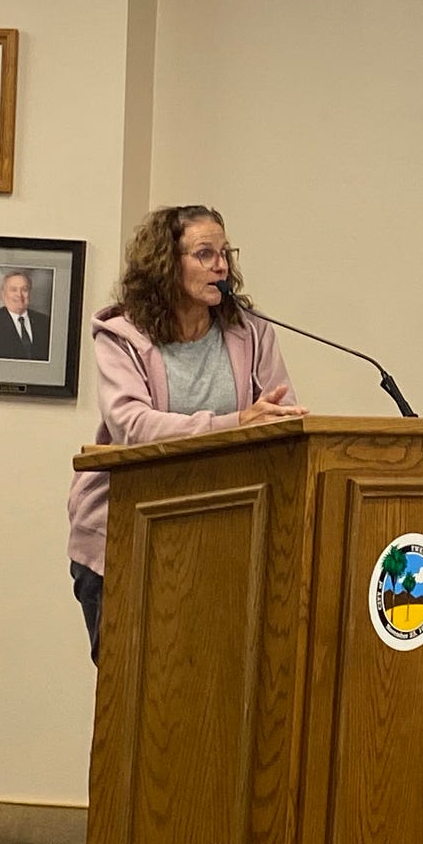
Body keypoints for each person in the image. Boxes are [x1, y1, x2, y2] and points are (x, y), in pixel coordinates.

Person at [66, 205, 308, 664]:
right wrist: (233, 423)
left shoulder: (252, 332)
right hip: (125, 536)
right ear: (165, 263)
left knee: (210, 685)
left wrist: (275, 423)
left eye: (225, 253)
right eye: (205, 254)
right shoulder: (121, 336)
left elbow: (279, 421)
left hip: (226, 537)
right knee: (131, 686)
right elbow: (133, 427)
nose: (221, 266)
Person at [0, 270, 53, 361]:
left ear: (29, 293)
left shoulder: (45, 322)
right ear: (3, 294)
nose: (19, 295)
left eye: (24, 290)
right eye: (13, 290)